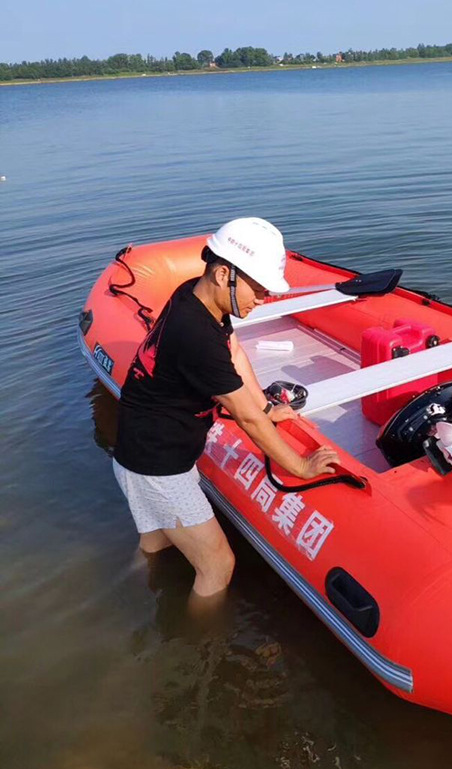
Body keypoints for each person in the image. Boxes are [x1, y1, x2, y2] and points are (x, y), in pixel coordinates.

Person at [112, 217, 339, 598]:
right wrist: (298, 465)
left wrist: (266, 407)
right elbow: (245, 417)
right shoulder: (196, 334)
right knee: (218, 566)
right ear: (223, 275)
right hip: (158, 465)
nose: (263, 298)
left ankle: (129, 596)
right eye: (258, 288)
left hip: (138, 448)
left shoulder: (194, 297)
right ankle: (198, 647)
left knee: (158, 544)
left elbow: (233, 352)